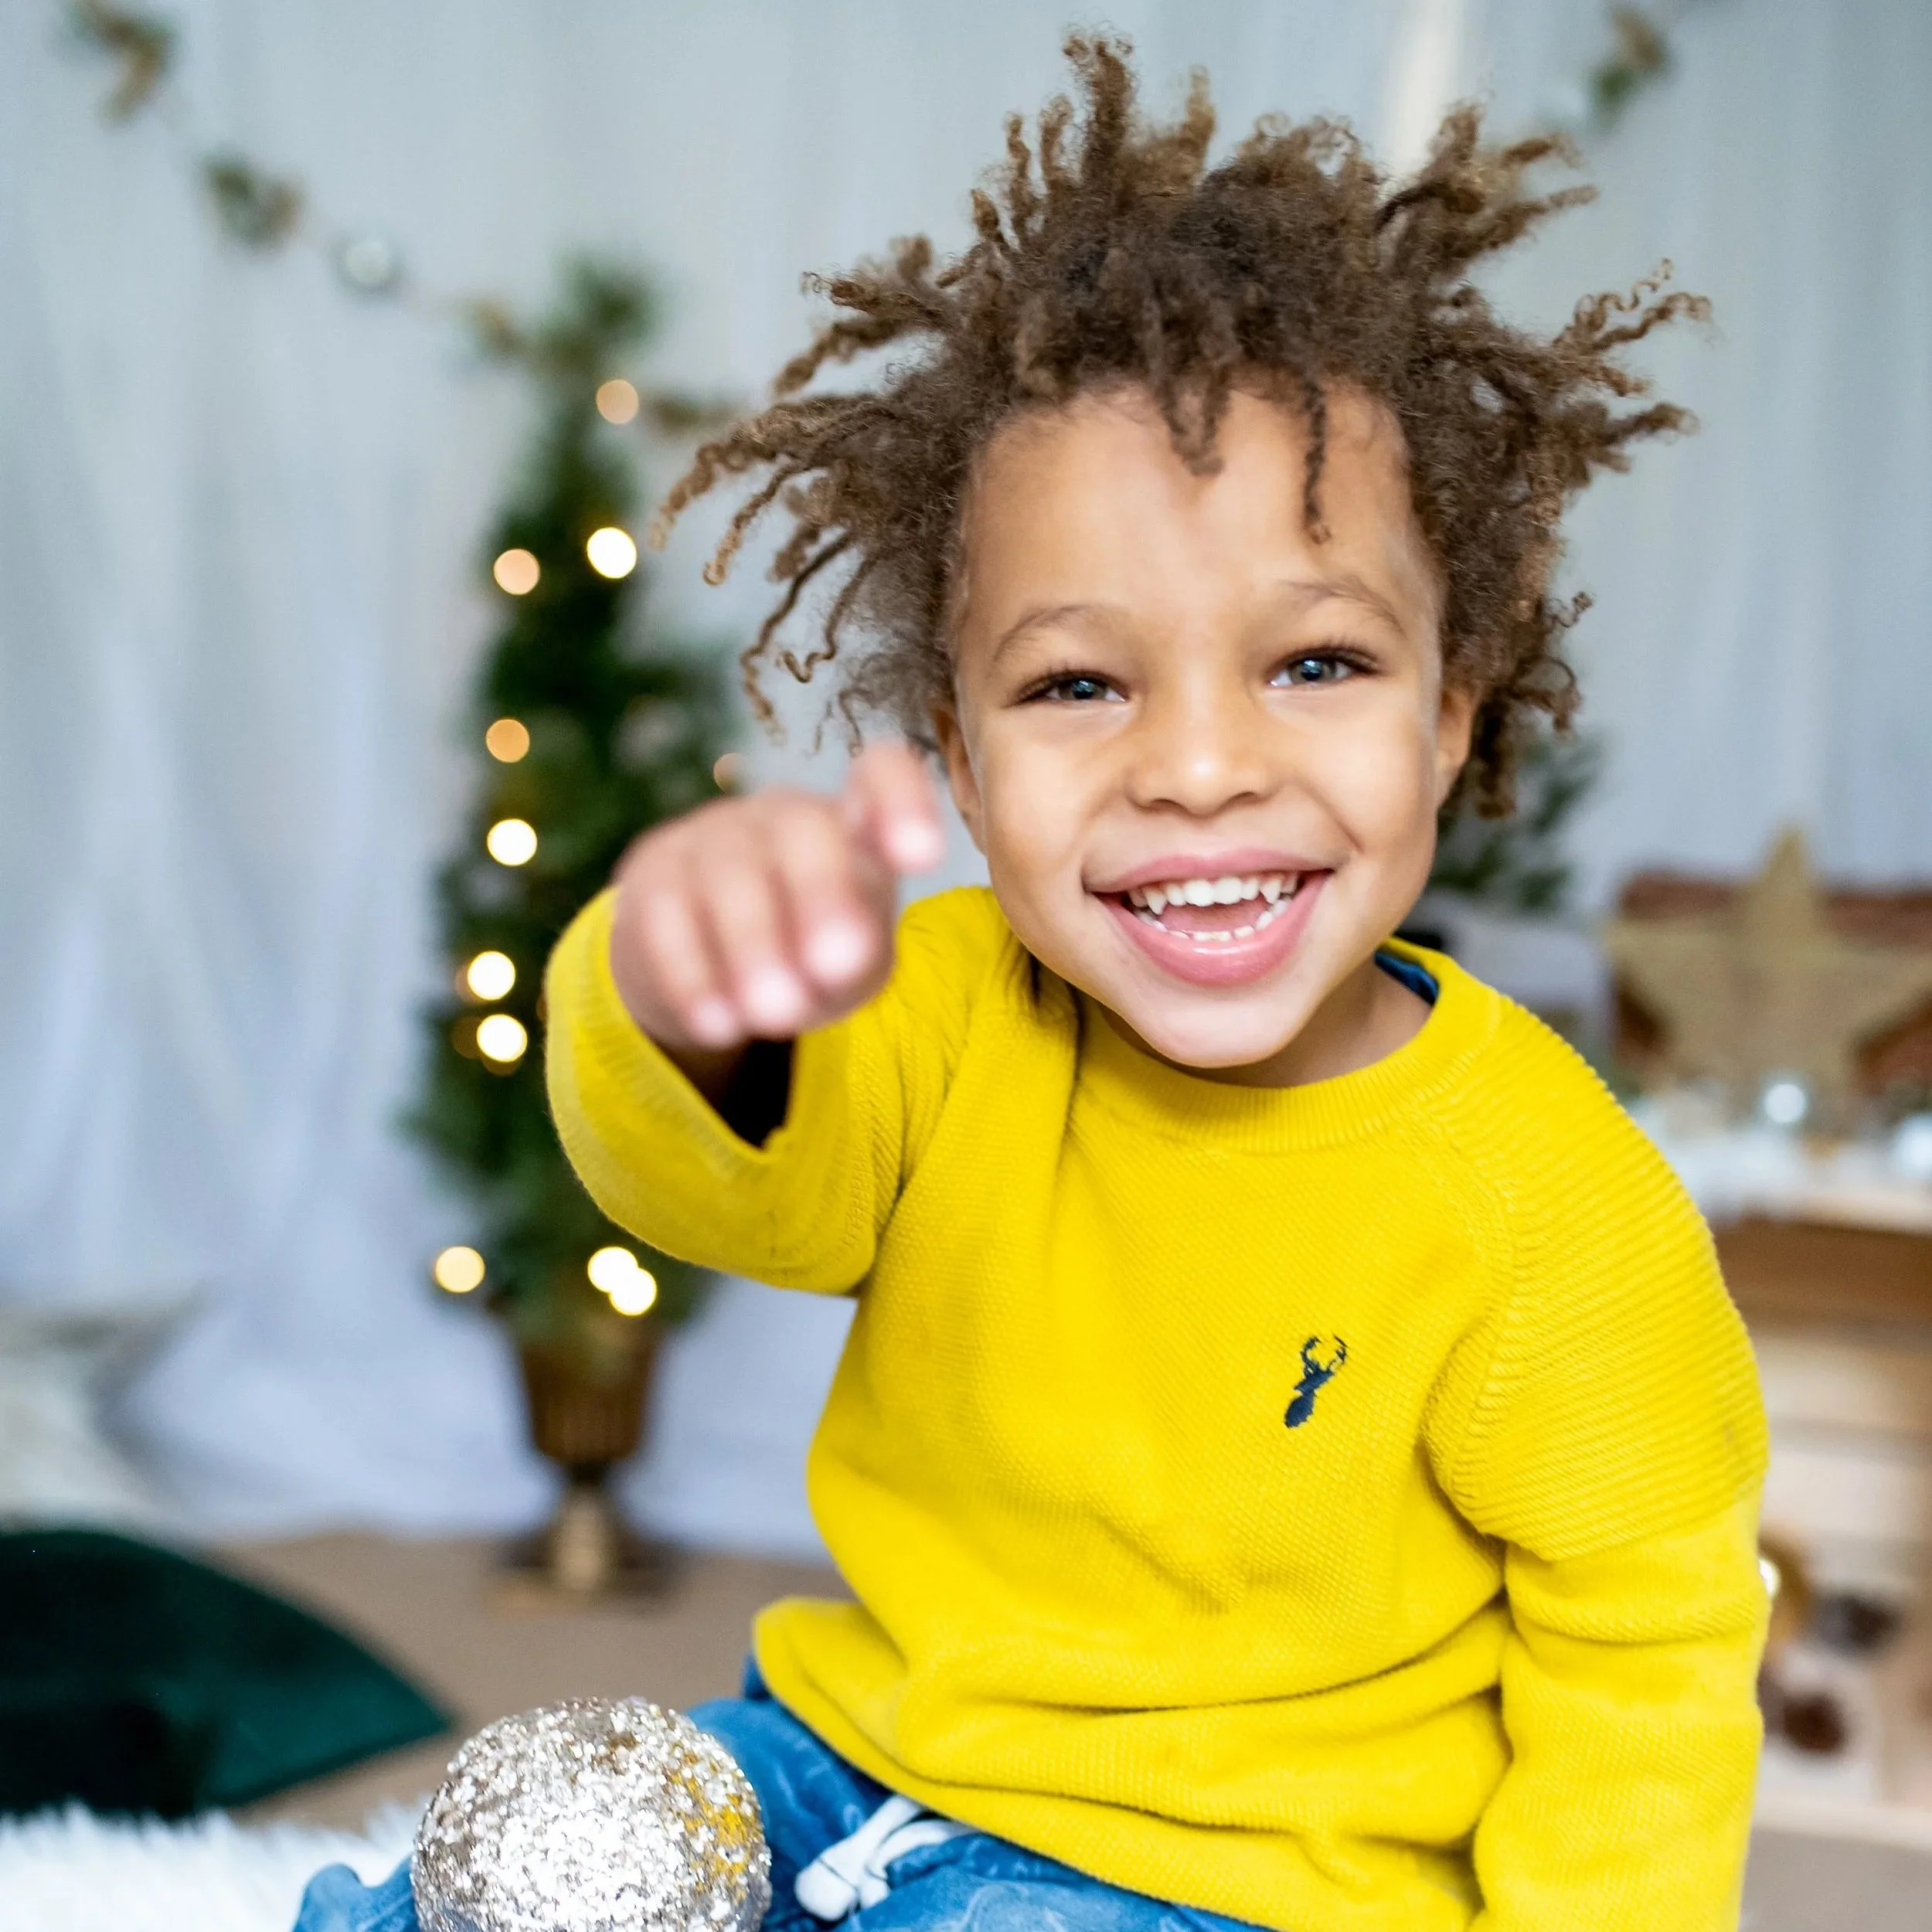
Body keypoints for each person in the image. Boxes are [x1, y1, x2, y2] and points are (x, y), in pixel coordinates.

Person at [299, 34, 1767, 1932]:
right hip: (840, 1757)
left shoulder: (1555, 1211)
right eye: (1078, 683)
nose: (1197, 765)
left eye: (1312, 663)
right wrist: (689, 990)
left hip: (1225, 1883)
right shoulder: (941, 1003)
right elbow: (726, 1178)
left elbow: (1643, 1660)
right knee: (516, 1840)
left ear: (1448, 715)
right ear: (965, 758)